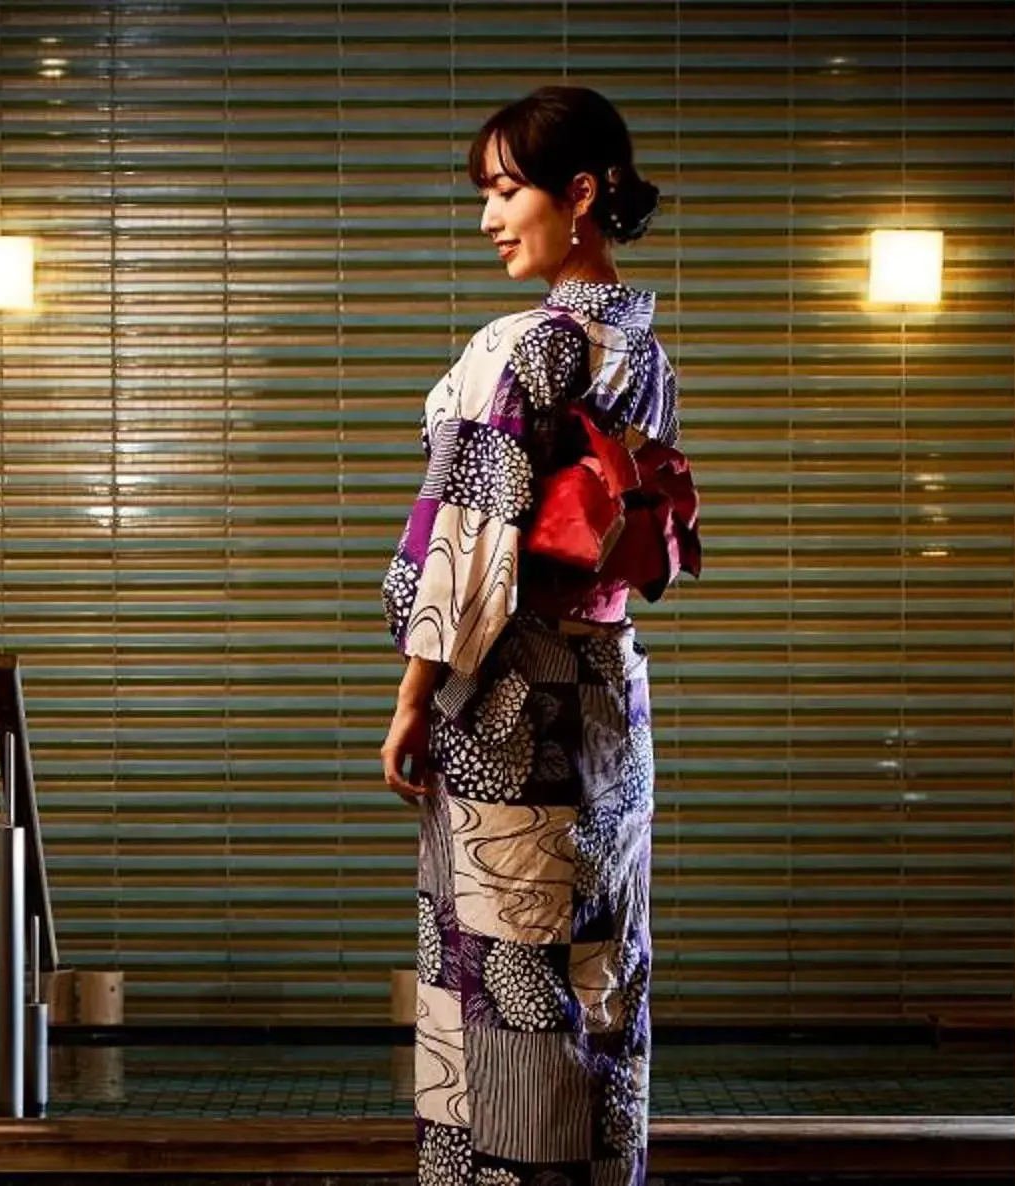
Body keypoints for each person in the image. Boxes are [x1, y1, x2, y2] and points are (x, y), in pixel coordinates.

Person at [380, 84, 678, 1186]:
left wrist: (414, 696)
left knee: (503, 979)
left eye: (508, 191)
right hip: (607, 697)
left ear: (581, 193)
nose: (490, 217)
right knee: (603, 966)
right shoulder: (644, 346)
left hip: (511, 700)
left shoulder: (525, 344)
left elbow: (466, 529)